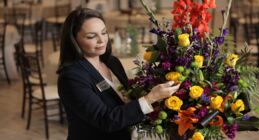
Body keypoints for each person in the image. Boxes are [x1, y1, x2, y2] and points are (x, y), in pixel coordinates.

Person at [57, 8, 180, 140]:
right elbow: (105, 120)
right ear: (74, 40)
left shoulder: (111, 62)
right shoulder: (71, 77)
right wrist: (150, 98)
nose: (101, 40)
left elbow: (125, 101)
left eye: (104, 33)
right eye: (91, 36)